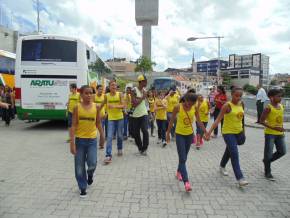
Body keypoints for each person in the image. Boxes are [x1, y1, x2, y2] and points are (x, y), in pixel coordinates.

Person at [205, 87, 249, 187]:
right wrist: (208, 132)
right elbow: (217, 120)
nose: (238, 98)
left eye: (240, 96)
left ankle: (222, 166)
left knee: (229, 150)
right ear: (231, 95)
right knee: (234, 153)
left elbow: (242, 119)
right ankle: (240, 178)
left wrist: (244, 132)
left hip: (239, 132)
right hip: (228, 132)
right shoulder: (227, 105)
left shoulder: (242, 104)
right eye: (236, 95)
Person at [166, 93, 207, 192]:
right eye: (189, 102)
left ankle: (178, 172)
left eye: (192, 103)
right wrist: (167, 133)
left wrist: (206, 132)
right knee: (183, 158)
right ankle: (186, 182)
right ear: (185, 99)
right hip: (179, 135)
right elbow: (171, 121)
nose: (190, 104)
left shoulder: (194, 107)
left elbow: (199, 121)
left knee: (183, 158)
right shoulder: (177, 107)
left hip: (189, 135)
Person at [69, 85, 104, 197]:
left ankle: (90, 175)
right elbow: (73, 126)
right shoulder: (77, 108)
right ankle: (82, 187)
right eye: (86, 93)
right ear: (81, 95)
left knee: (92, 163)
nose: (89, 95)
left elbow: (98, 123)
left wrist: (102, 136)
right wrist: (72, 143)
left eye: (90, 93)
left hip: (92, 141)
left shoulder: (96, 107)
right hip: (80, 141)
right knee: (79, 167)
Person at [260, 89, 286, 181]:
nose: (280, 97)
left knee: (282, 151)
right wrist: (274, 128)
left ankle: (266, 161)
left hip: (280, 134)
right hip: (270, 134)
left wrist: (281, 128)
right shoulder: (268, 108)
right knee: (268, 154)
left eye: (281, 96)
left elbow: (279, 119)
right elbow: (261, 121)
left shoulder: (281, 106)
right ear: (271, 98)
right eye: (278, 96)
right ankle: (268, 172)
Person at [102, 80, 125, 164]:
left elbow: (123, 105)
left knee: (119, 135)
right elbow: (102, 104)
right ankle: (108, 155)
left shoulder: (120, 94)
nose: (114, 87)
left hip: (120, 118)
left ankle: (119, 148)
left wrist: (114, 106)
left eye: (115, 85)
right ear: (109, 87)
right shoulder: (106, 96)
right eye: (112, 85)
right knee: (109, 137)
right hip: (110, 119)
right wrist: (100, 112)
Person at [131, 75, 149, 155]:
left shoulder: (145, 90)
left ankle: (145, 148)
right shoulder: (133, 90)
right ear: (141, 82)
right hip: (135, 115)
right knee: (136, 133)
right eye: (145, 81)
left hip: (144, 113)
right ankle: (140, 148)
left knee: (145, 130)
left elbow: (146, 103)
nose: (146, 82)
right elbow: (134, 104)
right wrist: (142, 97)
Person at [94, 84, 106, 149]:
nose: (101, 90)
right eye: (100, 89)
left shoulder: (104, 96)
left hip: (102, 116)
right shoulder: (94, 96)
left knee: (102, 131)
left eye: (102, 89)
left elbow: (106, 105)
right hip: (94, 116)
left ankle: (101, 144)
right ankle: (92, 143)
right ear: (96, 90)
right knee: (93, 130)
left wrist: (106, 113)